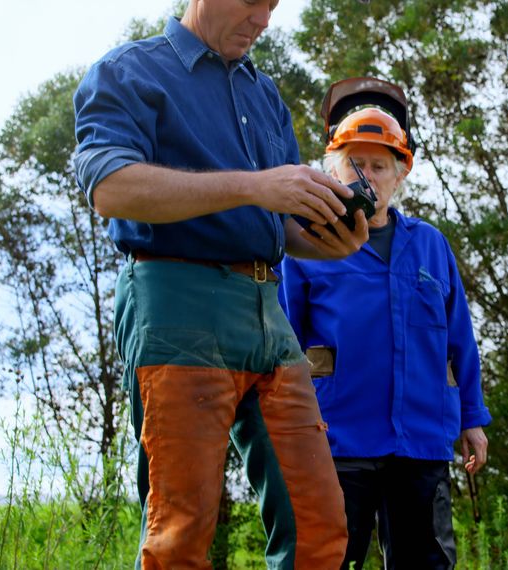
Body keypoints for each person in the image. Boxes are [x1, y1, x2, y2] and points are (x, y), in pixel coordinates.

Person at [72, 1, 370, 568]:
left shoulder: (265, 95)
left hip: (266, 311)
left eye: (274, 5)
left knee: (320, 522)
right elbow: (110, 187)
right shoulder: (128, 71)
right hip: (175, 303)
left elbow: (280, 222)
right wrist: (255, 186)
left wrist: (332, 241)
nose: (264, 18)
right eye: (253, 1)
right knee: (180, 531)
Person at [278, 105, 493, 569]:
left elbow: (460, 338)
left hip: (422, 440)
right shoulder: (307, 247)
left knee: (427, 563)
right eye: (355, 164)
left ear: (400, 175)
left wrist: (472, 418)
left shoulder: (431, 245)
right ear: (333, 173)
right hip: (338, 439)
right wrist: (284, 428)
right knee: (329, 560)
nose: (367, 176)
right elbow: (284, 341)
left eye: (379, 166)